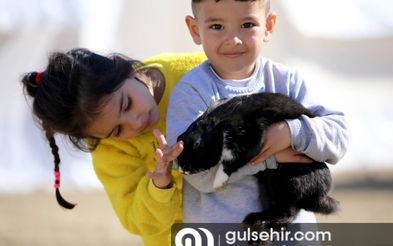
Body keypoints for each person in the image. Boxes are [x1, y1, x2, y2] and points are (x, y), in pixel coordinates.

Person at [166, 0, 350, 224]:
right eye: (217, 26)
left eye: (247, 25)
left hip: (293, 233)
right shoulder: (192, 91)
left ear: (269, 26)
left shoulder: (287, 81)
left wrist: (290, 133)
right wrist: (268, 157)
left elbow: (339, 137)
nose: (233, 40)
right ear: (195, 30)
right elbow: (195, 173)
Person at [21, 48, 206, 246]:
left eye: (127, 104)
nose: (135, 123)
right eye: (117, 130)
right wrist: (160, 186)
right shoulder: (108, 150)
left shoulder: (195, 71)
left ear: (123, 67)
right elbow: (135, 219)